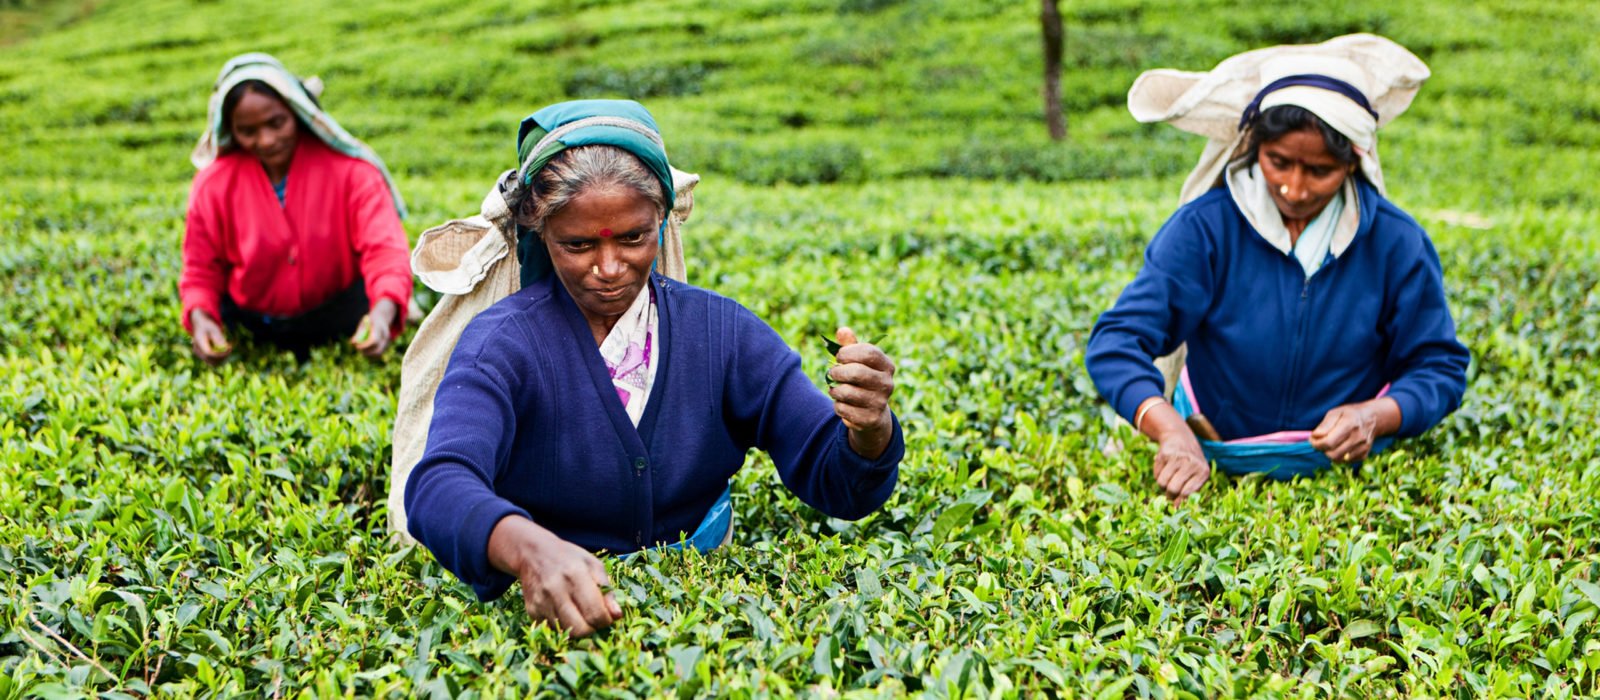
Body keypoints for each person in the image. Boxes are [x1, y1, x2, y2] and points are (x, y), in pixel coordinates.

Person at [404, 100, 905, 637]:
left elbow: (835, 479)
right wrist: (530, 552)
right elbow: (439, 486)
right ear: (542, 236)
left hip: (702, 613)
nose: (610, 268)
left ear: (661, 223)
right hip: (553, 614)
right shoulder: (503, 345)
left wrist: (869, 431)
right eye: (577, 245)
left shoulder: (721, 334)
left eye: (633, 237)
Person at [1086, 34, 1470, 501]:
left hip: (1343, 476)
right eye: (1279, 162)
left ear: (1354, 160)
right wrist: (1169, 430)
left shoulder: (1396, 243)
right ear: (1253, 148)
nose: (1294, 188)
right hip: (1217, 449)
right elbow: (1117, 340)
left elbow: (1438, 366)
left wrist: (1376, 415)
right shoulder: (1206, 230)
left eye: (1319, 171)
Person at [181, 53, 412, 362]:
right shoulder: (213, 185)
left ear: (297, 112)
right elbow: (200, 266)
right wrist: (202, 319)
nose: (266, 140)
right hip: (252, 325)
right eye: (248, 131)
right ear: (230, 129)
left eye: (277, 123)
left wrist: (383, 312)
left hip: (342, 316)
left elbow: (384, 251)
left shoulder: (354, 174)